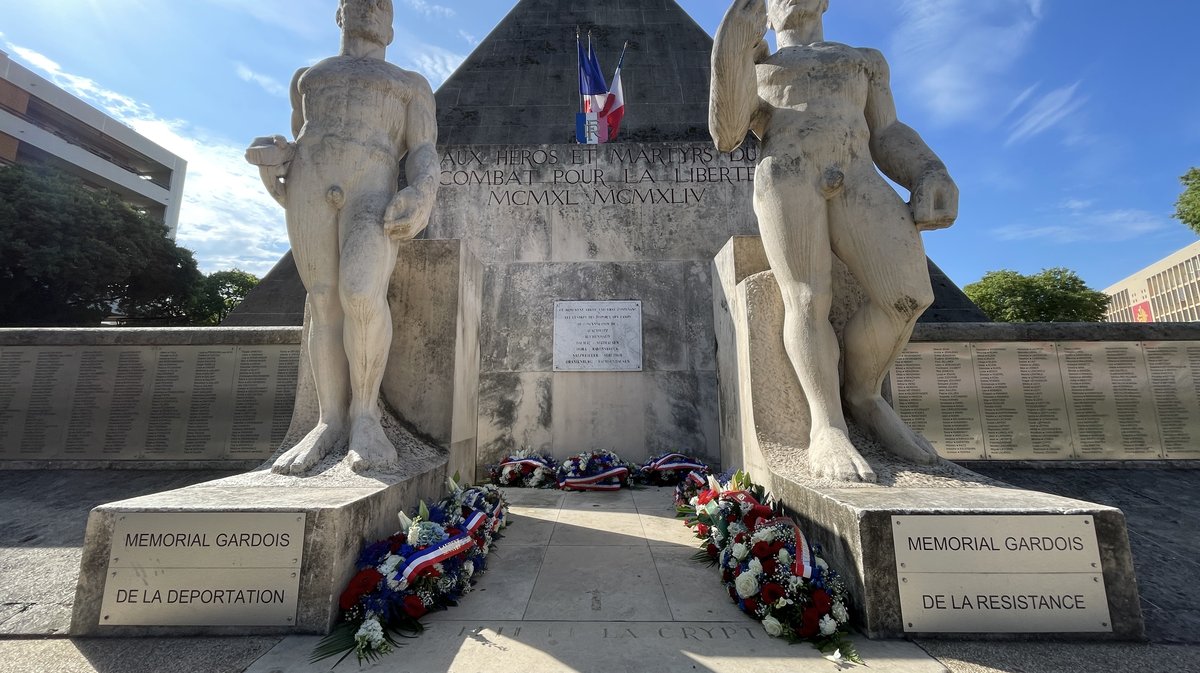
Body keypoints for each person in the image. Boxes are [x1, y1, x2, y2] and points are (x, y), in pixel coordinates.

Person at [710, 0, 959, 482]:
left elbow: (886, 132)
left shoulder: (865, 59)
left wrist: (929, 170)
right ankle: (826, 426)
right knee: (806, 299)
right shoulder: (759, 63)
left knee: (907, 297)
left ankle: (863, 395)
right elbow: (727, 132)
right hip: (788, 173)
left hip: (858, 173)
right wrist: (730, 52)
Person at [245, 0, 438, 474]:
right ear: (339, 14)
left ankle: (365, 415)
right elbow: (298, 140)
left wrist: (423, 190)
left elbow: (423, 150)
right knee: (324, 299)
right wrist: (274, 161)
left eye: (379, 5)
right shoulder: (308, 77)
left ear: (391, 25)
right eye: (357, 3)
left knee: (360, 291)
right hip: (312, 185)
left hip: (371, 189)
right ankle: (328, 420)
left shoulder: (410, 84)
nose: (368, 9)